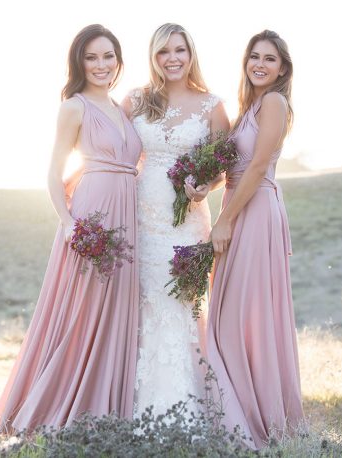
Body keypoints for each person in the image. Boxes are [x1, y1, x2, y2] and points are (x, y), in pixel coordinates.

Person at [0, 24, 142, 434]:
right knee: (81, 311)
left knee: (117, 311)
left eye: (108, 56)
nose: (101, 65)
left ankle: (107, 406)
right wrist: (70, 223)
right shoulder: (74, 107)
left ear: (119, 61)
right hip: (92, 219)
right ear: (79, 62)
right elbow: (54, 173)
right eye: (91, 57)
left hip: (128, 217)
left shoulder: (123, 108)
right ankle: (58, 405)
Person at [121, 23, 230, 416]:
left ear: (191, 53)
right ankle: (131, 406)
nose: (172, 59)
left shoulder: (211, 105)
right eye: (163, 51)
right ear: (153, 57)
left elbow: (222, 167)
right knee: (144, 303)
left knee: (180, 304)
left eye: (179, 50)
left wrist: (204, 186)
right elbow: (113, 151)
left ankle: (186, 408)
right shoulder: (136, 100)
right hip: (140, 219)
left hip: (187, 224)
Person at [206, 30, 304, 449]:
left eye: (269, 59)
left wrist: (224, 220)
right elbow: (233, 167)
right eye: (254, 57)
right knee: (230, 310)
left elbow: (260, 164)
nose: (260, 64)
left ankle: (254, 414)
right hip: (237, 203)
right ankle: (233, 408)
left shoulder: (275, 103)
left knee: (243, 315)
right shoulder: (249, 107)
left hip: (256, 211)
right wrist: (201, 189)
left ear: (282, 68)